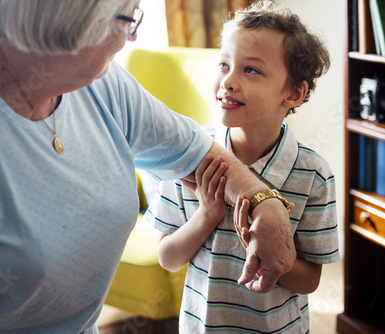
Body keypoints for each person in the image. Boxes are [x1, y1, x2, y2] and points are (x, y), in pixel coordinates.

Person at [0, 0, 295, 333]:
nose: (133, 34)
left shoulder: (99, 82)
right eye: (126, 16)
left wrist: (266, 201)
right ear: (70, 22)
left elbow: (194, 151)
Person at [144, 1, 340, 332]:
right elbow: (168, 257)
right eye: (224, 64)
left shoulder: (314, 176)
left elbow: (309, 281)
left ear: (293, 93)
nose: (229, 81)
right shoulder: (189, 156)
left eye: (251, 70)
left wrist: (270, 247)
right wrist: (207, 215)